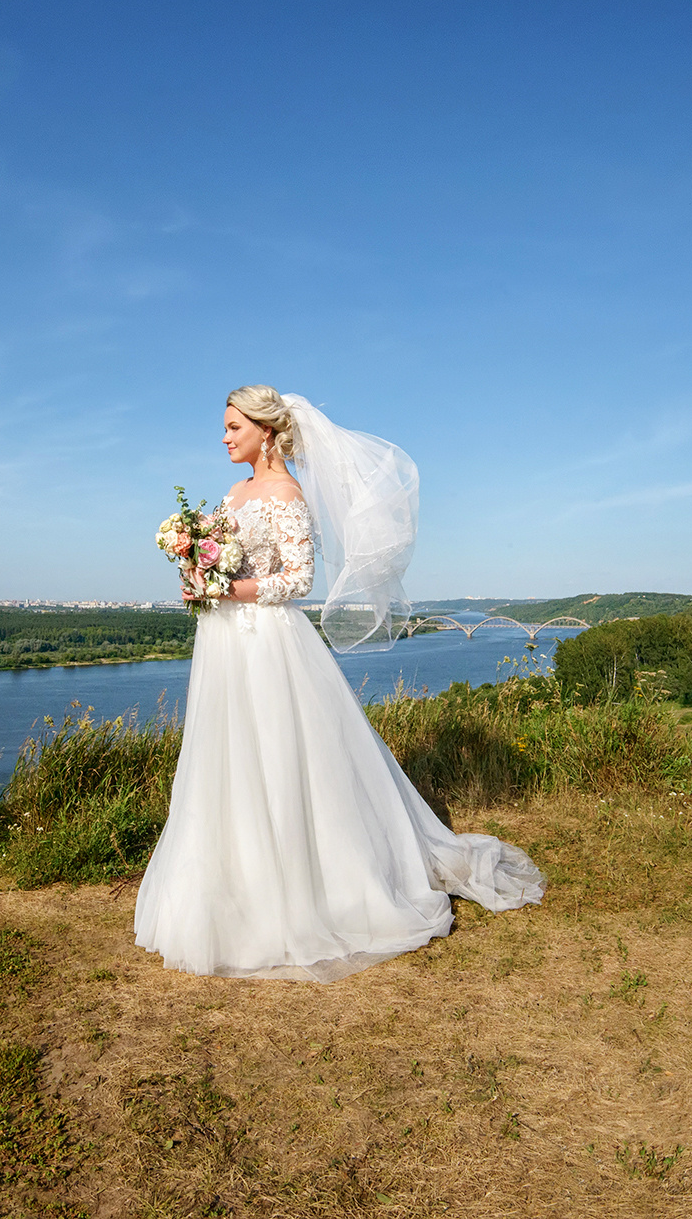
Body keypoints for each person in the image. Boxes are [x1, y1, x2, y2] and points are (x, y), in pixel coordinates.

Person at [133, 386, 545, 981]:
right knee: (228, 759)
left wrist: (223, 587)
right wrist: (200, 575)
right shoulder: (235, 492)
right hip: (225, 643)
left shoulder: (284, 493)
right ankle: (233, 889)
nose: (223, 437)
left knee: (280, 756)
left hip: (267, 643)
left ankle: (308, 892)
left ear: (266, 431)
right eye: (223, 428)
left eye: (232, 426)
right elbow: (234, 561)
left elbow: (297, 580)